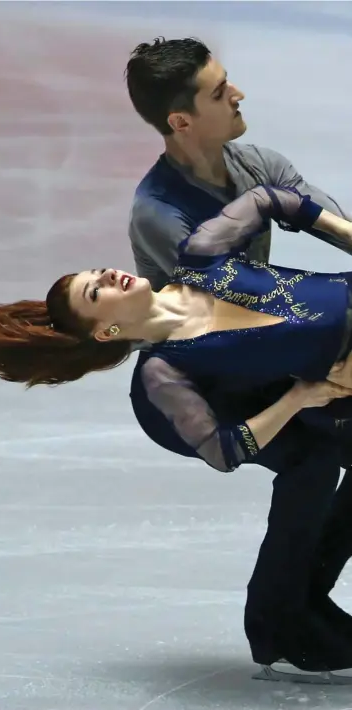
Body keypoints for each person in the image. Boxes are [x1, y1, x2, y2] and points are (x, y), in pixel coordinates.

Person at [0, 185, 352, 674]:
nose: (106, 275)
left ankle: (289, 613)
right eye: (95, 291)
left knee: (315, 465)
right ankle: (286, 626)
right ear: (107, 332)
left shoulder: (201, 257)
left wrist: (343, 232)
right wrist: (301, 397)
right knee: (310, 463)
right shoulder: (167, 371)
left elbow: (270, 199)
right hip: (329, 386)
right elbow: (223, 450)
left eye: (95, 272)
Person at [123, 36, 352, 680]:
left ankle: (297, 605)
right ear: (182, 120)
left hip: (266, 348)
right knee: (313, 457)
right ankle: (282, 621)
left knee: (329, 449)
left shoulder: (254, 163)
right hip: (198, 377)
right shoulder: (160, 213)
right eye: (222, 92)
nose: (239, 94)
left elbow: (328, 215)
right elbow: (239, 299)